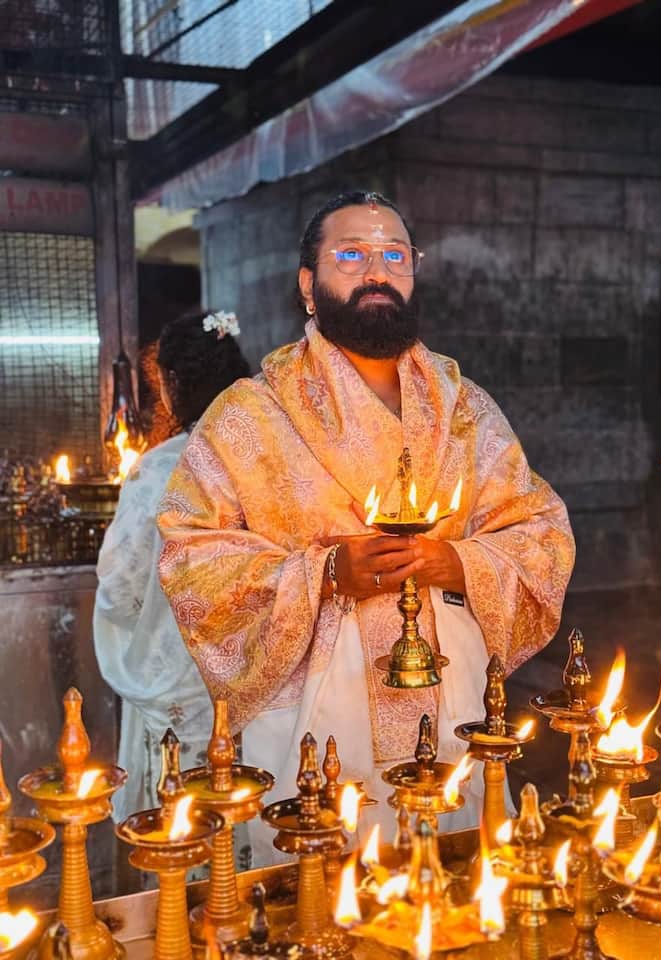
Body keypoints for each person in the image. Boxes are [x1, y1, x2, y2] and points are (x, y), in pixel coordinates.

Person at [156, 191, 575, 862]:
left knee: (451, 885)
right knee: (321, 896)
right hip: (314, 707)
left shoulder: (463, 407)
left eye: (394, 256)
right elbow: (189, 553)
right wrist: (322, 572)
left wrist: (458, 562)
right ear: (309, 285)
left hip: (450, 694)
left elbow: (540, 531)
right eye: (350, 255)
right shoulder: (251, 414)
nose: (376, 271)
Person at [93, 309, 251, 823]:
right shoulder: (268, 463)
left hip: (174, 682)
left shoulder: (160, 468)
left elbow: (120, 588)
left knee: (176, 834)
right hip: (254, 680)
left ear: (173, 383)